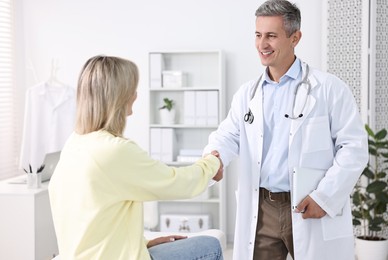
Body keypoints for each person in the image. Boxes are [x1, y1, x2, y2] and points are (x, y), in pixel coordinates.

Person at [203, 0, 368, 259]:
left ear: (295, 37)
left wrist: (325, 197)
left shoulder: (329, 89)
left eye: (271, 36)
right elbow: (229, 134)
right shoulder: (248, 93)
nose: (262, 44)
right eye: (258, 35)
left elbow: (354, 148)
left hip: (308, 204)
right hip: (262, 209)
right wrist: (215, 155)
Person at [48, 55, 224, 260]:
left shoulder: (75, 143)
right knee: (211, 246)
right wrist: (212, 162)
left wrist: (145, 242)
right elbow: (175, 182)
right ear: (119, 96)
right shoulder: (113, 151)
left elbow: (91, 221)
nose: (136, 95)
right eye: (132, 88)